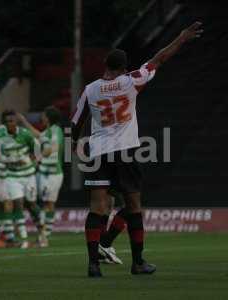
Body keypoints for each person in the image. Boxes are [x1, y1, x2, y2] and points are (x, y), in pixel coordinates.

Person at [71, 22, 203, 277]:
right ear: (122, 67)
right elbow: (159, 59)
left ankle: (93, 265)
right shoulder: (131, 81)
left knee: (97, 207)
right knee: (133, 205)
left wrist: (74, 144)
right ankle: (138, 262)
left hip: (98, 152)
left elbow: (76, 121)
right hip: (125, 150)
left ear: (105, 66)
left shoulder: (90, 89)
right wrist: (181, 38)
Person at [17, 107, 64, 247]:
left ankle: (43, 236)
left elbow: (52, 148)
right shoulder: (49, 131)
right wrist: (24, 121)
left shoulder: (56, 130)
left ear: (48, 117)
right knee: (48, 203)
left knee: (47, 204)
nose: (41, 117)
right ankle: (44, 236)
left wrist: (36, 158)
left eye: (43, 115)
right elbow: (37, 135)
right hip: (47, 172)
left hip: (52, 173)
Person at [0, 110, 41, 248]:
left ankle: (42, 233)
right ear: (4, 124)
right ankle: (24, 239)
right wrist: (12, 160)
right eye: (7, 121)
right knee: (18, 203)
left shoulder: (25, 134)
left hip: (28, 175)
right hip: (12, 176)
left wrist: (33, 162)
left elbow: (37, 149)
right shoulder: (1, 137)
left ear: (16, 122)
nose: (10, 123)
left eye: (12, 120)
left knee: (32, 205)